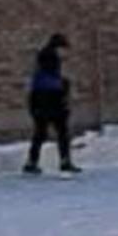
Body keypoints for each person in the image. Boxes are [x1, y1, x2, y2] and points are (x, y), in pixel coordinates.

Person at [23, 33, 80, 177]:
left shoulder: (42, 66)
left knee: (40, 133)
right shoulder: (51, 62)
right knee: (62, 132)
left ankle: (32, 162)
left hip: (38, 100)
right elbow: (55, 84)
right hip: (51, 100)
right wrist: (64, 89)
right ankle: (65, 162)